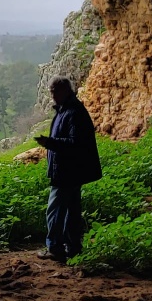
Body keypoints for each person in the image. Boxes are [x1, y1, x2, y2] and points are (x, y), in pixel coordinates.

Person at [34, 76, 102, 262]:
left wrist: (49, 143)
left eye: (55, 91)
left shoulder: (72, 113)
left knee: (55, 210)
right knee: (71, 211)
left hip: (66, 172)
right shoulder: (67, 111)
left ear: (64, 91)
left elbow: (75, 143)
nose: (52, 95)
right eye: (51, 92)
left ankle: (54, 247)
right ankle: (72, 247)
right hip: (71, 171)